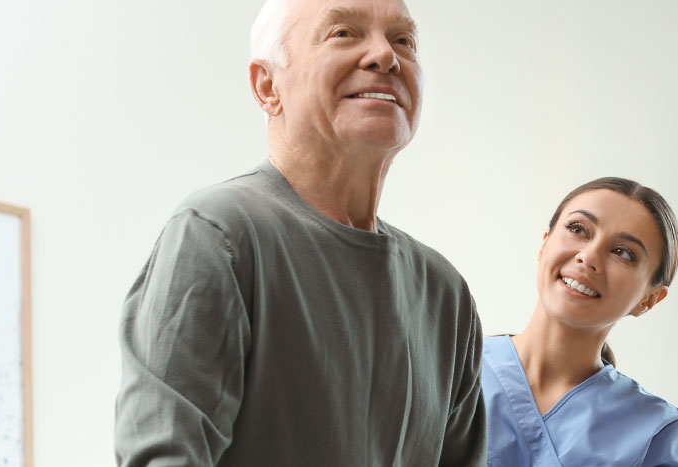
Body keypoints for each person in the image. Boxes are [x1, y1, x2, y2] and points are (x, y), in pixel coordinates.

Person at [113, 0, 485, 465]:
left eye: (403, 40)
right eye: (344, 33)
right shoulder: (220, 234)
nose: (385, 56)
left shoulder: (446, 296)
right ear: (268, 86)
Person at [483, 177, 678, 466]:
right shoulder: (451, 371)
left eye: (623, 252)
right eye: (578, 229)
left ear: (649, 299)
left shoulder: (655, 430)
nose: (589, 257)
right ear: (544, 245)